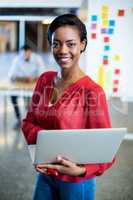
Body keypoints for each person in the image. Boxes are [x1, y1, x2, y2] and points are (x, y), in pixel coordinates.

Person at [22, 14, 115, 200]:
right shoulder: (45, 80)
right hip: (46, 175)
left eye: (71, 44)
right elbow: (28, 123)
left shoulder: (92, 92)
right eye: (56, 44)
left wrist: (81, 170)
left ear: (82, 44)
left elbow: (106, 148)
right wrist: (40, 153)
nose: (63, 50)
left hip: (76, 183)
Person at [8, 44, 45, 129]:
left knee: (37, 99)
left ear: (30, 52)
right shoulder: (17, 59)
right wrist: (23, 79)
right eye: (23, 54)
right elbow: (11, 75)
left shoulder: (37, 59)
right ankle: (18, 119)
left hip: (34, 85)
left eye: (26, 53)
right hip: (21, 84)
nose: (24, 56)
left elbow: (42, 74)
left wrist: (33, 79)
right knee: (13, 96)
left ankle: (36, 120)